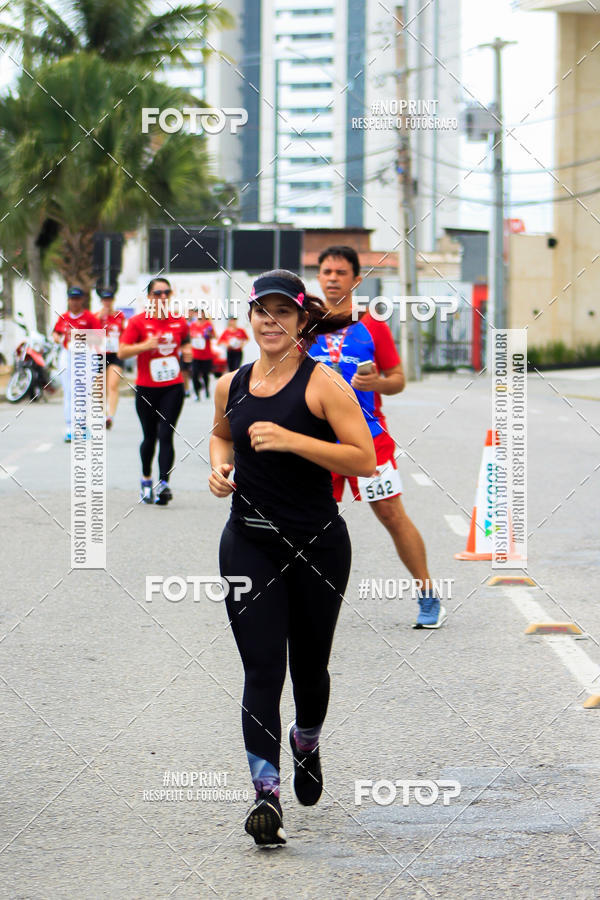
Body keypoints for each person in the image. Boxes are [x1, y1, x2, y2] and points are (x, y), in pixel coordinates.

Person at [209, 269, 376, 846]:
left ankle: (307, 741)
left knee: (309, 668)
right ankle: (266, 797)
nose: (270, 321)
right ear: (249, 318)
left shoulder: (324, 384)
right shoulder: (230, 383)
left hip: (316, 546)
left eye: (283, 312)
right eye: (261, 311)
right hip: (248, 542)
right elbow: (222, 435)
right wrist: (219, 465)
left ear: (301, 320)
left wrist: (292, 441)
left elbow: (363, 459)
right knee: (261, 669)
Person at [309, 245, 446, 629]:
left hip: (368, 439)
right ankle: (304, 597)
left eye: (340, 272)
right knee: (311, 520)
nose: (333, 277)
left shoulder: (373, 325)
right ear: (318, 277)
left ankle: (428, 594)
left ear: (355, 279)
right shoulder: (308, 326)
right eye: (326, 271)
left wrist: (378, 382)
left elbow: (399, 380)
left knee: (390, 514)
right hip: (318, 443)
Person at [119, 277, 191, 505]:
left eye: (166, 293)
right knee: (149, 437)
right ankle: (146, 478)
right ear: (149, 297)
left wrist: (188, 353)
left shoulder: (179, 321)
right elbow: (122, 352)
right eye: (157, 293)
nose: (162, 297)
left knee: (166, 434)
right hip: (146, 388)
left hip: (173, 386)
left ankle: (164, 485)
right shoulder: (138, 322)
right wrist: (146, 346)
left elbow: (186, 343)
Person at [52, 286, 102, 443]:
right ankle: (69, 426)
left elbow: (99, 338)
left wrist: (82, 338)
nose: (74, 302)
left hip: (85, 357)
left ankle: (81, 424)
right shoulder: (64, 317)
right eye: (72, 299)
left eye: (77, 299)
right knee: (68, 391)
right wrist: (57, 338)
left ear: (82, 300)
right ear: (68, 300)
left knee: (82, 392)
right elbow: (56, 332)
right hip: (68, 356)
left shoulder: (89, 317)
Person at [96, 286, 126, 430]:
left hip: (115, 354)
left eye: (109, 299)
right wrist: (99, 317)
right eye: (104, 300)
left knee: (113, 384)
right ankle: (102, 414)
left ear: (113, 300)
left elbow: (124, 333)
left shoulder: (119, 316)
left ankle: (110, 416)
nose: (107, 302)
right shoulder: (97, 316)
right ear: (101, 301)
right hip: (100, 354)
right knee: (100, 387)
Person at [189, 308, 215, 400]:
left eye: (201, 313)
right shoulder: (192, 325)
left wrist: (209, 334)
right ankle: (197, 393)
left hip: (206, 355)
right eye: (197, 314)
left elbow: (213, 336)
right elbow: (188, 337)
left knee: (205, 374)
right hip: (195, 355)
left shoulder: (208, 324)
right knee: (195, 374)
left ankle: (207, 389)